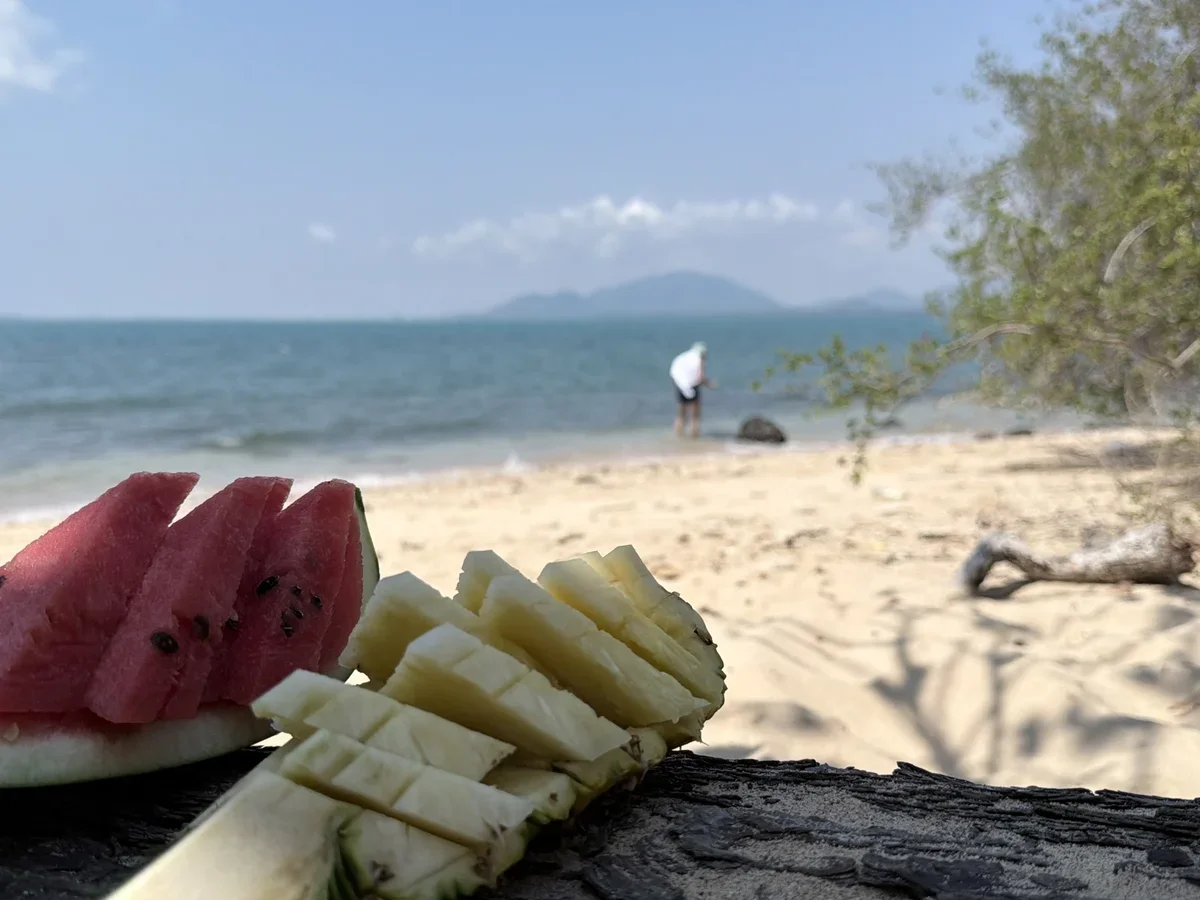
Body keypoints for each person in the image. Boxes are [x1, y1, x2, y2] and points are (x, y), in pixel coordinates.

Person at [669, 341, 714, 438]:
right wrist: (710, 384)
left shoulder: (683, 357)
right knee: (695, 413)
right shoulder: (699, 359)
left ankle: (678, 435)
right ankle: (694, 435)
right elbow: (700, 376)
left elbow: (674, 372)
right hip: (693, 385)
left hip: (681, 385)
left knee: (681, 411)